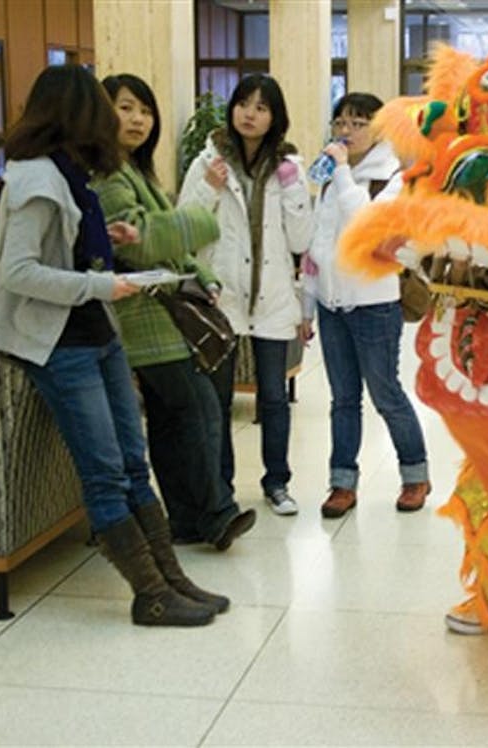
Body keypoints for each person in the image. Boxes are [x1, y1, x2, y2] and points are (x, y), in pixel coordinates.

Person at [0, 64, 227, 626]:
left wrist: (106, 239)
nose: (116, 120)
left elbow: (63, 248)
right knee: (104, 471)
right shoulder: (34, 181)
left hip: (98, 333)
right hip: (59, 344)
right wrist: (100, 283)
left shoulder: (71, 173)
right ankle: (150, 593)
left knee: (132, 462)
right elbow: (17, 271)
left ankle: (171, 577)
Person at [93, 73, 256, 550]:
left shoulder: (136, 171)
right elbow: (142, 241)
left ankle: (187, 520)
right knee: (190, 409)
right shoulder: (106, 175)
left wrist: (200, 274)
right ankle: (213, 513)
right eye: (125, 108)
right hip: (140, 316)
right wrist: (200, 222)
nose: (138, 119)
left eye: (144, 110)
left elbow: (166, 242)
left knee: (174, 416)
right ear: (100, 112)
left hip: (164, 311)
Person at [178, 74, 312, 517]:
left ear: (275, 117)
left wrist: (295, 190)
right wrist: (208, 189)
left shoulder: (290, 167)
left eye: (260, 107)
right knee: (217, 399)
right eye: (242, 104)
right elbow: (184, 225)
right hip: (224, 299)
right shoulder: (207, 161)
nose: (249, 114)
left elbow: (301, 238)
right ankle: (222, 490)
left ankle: (277, 483)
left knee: (273, 397)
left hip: (272, 297)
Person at [300, 92, 430, 519]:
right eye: (341, 121)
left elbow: (366, 225)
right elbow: (318, 242)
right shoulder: (330, 175)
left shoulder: (393, 176)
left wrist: (339, 171)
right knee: (342, 399)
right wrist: (307, 303)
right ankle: (342, 483)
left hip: (374, 306)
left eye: (358, 123)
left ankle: (415, 475)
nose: (346, 131)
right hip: (332, 305)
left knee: (386, 394)